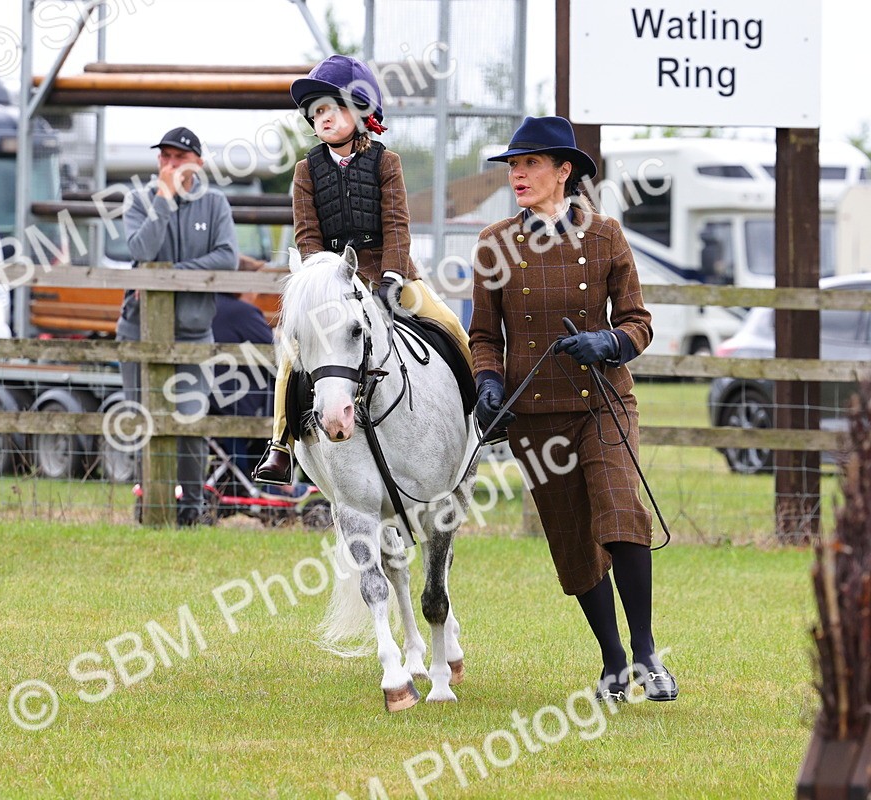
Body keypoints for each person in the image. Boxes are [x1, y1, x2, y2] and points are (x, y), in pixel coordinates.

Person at [468, 116, 677, 703]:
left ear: (564, 171)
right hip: (534, 413)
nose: (517, 174)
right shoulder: (493, 243)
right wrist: (487, 384)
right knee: (572, 541)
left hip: (601, 403)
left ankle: (646, 655)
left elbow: (639, 322)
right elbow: (484, 335)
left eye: (530, 164)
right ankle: (613, 663)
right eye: (513, 165)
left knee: (619, 513)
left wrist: (608, 343)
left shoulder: (606, 235)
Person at [253, 54, 476, 484]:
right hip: (330, 281)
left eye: (329, 108)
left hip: (387, 270)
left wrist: (393, 275)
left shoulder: (386, 163)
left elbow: (396, 225)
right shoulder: (305, 172)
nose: (321, 118)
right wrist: (322, 280)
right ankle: (281, 443)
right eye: (315, 112)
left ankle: (481, 417)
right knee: (292, 355)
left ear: (358, 110)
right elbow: (307, 236)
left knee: (449, 324)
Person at [119, 126, 238, 527]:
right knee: (144, 420)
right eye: (164, 157)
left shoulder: (215, 204)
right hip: (139, 333)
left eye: (179, 158)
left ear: (198, 164)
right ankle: (149, 507)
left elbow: (227, 259)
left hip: (192, 334)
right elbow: (139, 250)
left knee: (189, 423)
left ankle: (189, 512)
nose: (169, 165)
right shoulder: (139, 201)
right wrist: (164, 199)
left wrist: (166, 276)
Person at [210, 290, 275, 480]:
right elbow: (273, 349)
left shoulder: (206, 307)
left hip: (204, 397)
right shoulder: (242, 312)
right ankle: (268, 482)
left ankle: (239, 480)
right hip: (235, 399)